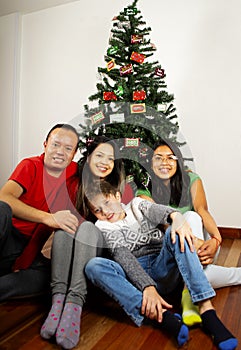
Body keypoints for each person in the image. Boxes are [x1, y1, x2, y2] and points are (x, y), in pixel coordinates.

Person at [84, 181, 238, 350]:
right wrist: (147, 287)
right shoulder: (102, 226)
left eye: (107, 203)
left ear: (117, 196)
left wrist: (176, 216)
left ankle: (206, 309)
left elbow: (158, 211)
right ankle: (162, 316)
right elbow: (123, 256)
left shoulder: (136, 205)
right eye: (97, 210)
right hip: (136, 276)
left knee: (176, 231)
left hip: (163, 265)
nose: (105, 212)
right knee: (94, 266)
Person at [40, 135, 133, 349]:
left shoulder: (122, 190)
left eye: (110, 159)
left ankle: (74, 304)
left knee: (89, 228)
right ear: (89, 158)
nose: (104, 162)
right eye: (99, 155)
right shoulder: (75, 184)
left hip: (103, 254)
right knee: (64, 230)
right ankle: (58, 301)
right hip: (73, 250)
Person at [136, 138, 241, 326]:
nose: (165, 163)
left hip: (202, 248)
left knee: (192, 216)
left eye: (170, 158)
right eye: (158, 158)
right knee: (201, 275)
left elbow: (202, 210)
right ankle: (191, 291)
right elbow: (165, 226)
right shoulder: (143, 191)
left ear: (178, 161)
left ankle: (189, 288)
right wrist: (194, 244)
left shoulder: (192, 179)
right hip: (175, 251)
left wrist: (216, 240)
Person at [0, 123, 80, 302]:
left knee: (51, 278)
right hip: (7, 237)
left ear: (74, 154)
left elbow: (100, 172)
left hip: (32, 248)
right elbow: (4, 197)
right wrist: (49, 218)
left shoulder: (76, 172)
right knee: (1, 209)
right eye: (56, 144)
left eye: (68, 148)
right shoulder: (30, 166)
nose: (60, 152)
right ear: (45, 145)